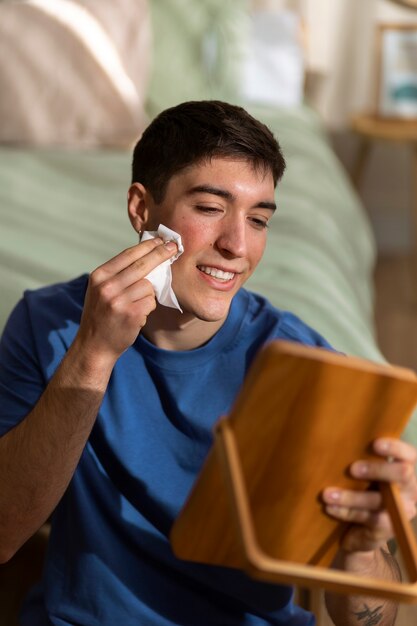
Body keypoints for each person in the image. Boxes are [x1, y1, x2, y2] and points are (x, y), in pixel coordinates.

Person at [0, 100, 416, 626]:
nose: (236, 245)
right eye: (209, 207)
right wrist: (94, 354)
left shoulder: (300, 365)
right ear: (141, 209)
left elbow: (366, 618)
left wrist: (361, 550)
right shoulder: (48, 325)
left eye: (259, 219)